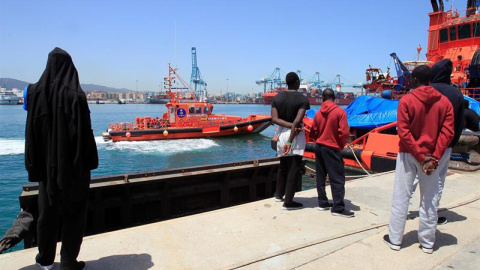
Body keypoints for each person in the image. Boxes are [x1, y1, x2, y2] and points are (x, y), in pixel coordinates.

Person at [25, 48, 98, 270]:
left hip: (45, 167)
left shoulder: (32, 92)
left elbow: (30, 132)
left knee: (46, 214)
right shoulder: (76, 96)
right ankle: (68, 262)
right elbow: (85, 134)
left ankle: (45, 259)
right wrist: (88, 163)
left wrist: (33, 164)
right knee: (74, 214)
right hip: (74, 168)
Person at [384, 65, 454, 254]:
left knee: (401, 197)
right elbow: (448, 133)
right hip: (432, 157)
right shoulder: (445, 102)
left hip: (408, 154)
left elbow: (404, 132)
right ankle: (427, 243)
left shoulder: (406, 101)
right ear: (430, 79)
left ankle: (395, 239)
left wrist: (420, 156)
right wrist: (433, 158)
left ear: (414, 80)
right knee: (430, 200)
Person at [430, 59, 465, 225]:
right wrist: (452, 142)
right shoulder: (456, 94)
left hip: (420, 145)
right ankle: (431, 215)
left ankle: (402, 213)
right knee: (438, 181)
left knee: (411, 181)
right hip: (444, 145)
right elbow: (459, 122)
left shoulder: (424, 90)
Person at [309, 88, 353, 218]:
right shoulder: (340, 112)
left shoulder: (317, 114)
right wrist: (340, 146)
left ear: (322, 98)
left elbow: (313, 132)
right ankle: (338, 207)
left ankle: (322, 202)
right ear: (334, 98)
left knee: (320, 176)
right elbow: (344, 132)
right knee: (337, 177)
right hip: (332, 147)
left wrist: (317, 140)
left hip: (319, 146)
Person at [271, 72, 310, 210]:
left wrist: (286, 127)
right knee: (294, 167)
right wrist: (291, 137)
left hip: (281, 133)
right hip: (296, 135)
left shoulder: (277, 97)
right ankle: (288, 201)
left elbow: (274, 119)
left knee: (283, 165)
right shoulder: (303, 99)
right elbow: (297, 121)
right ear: (297, 82)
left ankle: (278, 194)